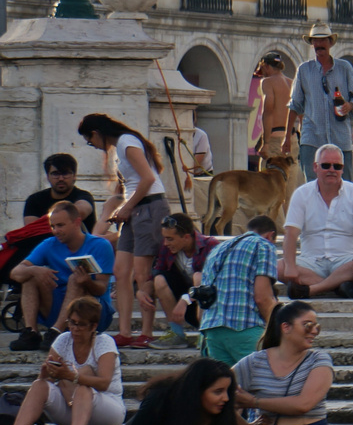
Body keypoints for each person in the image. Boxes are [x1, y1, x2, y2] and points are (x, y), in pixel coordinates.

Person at [79, 112, 170, 349]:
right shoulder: (120, 147)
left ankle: (147, 331)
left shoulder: (127, 143)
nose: (94, 146)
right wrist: (123, 208)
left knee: (142, 274)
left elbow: (148, 178)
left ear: (96, 133)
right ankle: (125, 331)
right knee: (121, 271)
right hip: (134, 211)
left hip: (148, 208)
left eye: (90, 141)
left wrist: (127, 207)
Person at [0, 298, 123, 425]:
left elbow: (104, 383)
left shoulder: (104, 342)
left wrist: (72, 377)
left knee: (83, 389)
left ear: (93, 326)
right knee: (39, 385)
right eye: (72, 322)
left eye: (80, 324)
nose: (75, 329)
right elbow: (47, 381)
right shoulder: (63, 340)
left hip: (107, 407)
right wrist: (47, 372)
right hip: (70, 405)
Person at [7, 201, 114, 352]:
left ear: (77, 222)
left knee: (75, 278)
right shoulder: (49, 244)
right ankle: (31, 332)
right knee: (29, 275)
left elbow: (102, 289)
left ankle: (56, 331)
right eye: (53, 226)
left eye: (60, 225)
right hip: (58, 305)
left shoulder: (100, 245)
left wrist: (87, 282)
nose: (56, 231)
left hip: (92, 311)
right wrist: (34, 270)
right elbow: (15, 273)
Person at [280, 144, 353, 298]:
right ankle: (339, 287)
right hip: (311, 262)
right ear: (315, 167)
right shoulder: (301, 194)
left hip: (346, 261)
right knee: (277, 267)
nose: (332, 170)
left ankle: (314, 289)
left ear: (342, 169)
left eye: (337, 166)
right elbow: (290, 234)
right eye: (326, 165)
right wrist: (290, 266)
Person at [283, 23, 353, 183]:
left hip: (340, 138)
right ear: (312, 43)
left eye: (322, 40)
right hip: (312, 137)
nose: (319, 45)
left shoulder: (345, 68)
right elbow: (295, 105)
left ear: (330, 42)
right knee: (313, 185)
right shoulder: (304, 70)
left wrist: (350, 106)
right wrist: (287, 137)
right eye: (315, 41)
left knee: (346, 184)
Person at [197, 215, 279, 366]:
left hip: (212, 330)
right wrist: (275, 330)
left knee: (225, 386)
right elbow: (262, 297)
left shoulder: (217, 249)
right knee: (260, 385)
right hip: (245, 327)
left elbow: (201, 305)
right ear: (271, 235)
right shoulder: (263, 245)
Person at [147, 213, 219, 349]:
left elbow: (215, 283)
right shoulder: (167, 248)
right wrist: (142, 292)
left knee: (199, 276)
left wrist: (186, 298)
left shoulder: (211, 246)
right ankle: (176, 333)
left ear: (186, 237)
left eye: (170, 239)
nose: (165, 243)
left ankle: (206, 334)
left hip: (210, 306)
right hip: (185, 308)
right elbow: (157, 271)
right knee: (159, 279)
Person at [23, 153, 97, 231]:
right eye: (55, 174)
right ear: (48, 176)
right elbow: (31, 230)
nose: (61, 178)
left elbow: (80, 212)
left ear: (74, 176)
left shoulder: (84, 196)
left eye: (65, 173)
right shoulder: (34, 200)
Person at [253, 53, 294, 172]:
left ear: (265, 66)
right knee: (289, 184)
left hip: (275, 139)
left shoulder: (268, 82)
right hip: (291, 138)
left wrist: (266, 143)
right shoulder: (291, 83)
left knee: (267, 184)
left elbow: (268, 110)